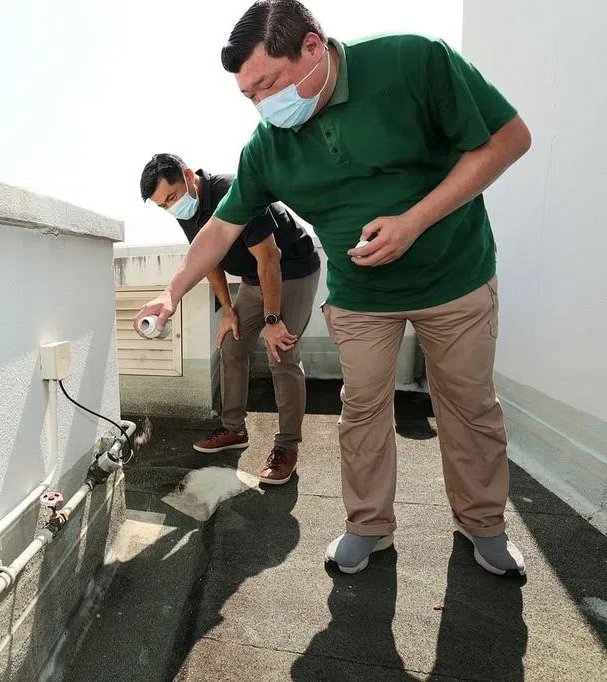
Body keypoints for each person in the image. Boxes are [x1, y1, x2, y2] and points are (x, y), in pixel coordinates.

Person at [134, 0, 531, 576]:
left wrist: (414, 222)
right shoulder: (267, 146)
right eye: (249, 95)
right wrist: (172, 292)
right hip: (361, 297)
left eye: (269, 84)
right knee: (361, 412)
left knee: (469, 408)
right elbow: (219, 230)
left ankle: (484, 525)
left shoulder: (413, 61)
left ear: (313, 47)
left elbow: (509, 138)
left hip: (455, 280)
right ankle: (368, 526)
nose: (264, 104)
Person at [139, 154, 321, 484]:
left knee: (281, 353)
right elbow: (208, 259)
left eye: (172, 197)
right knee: (231, 345)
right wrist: (227, 310)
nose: (172, 208)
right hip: (253, 279)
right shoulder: (188, 211)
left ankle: (287, 447)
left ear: (188, 176)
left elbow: (270, 258)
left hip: (292, 271)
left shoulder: (233, 191)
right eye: (163, 205)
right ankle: (234, 429)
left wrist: (272, 319)